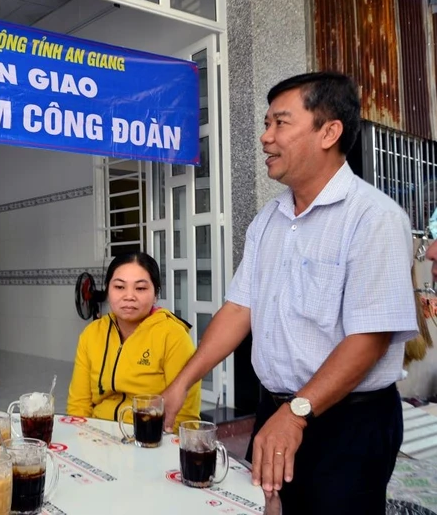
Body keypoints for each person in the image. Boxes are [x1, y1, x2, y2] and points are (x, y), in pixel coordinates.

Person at [161, 72, 417, 514]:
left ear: (329, 132)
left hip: (348, 422)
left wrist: (297, 413)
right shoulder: (270, 219)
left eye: (280, 123)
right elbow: (240, 308)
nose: (265, 137)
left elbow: (370, 337)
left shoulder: (373, 218)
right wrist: (182, 381)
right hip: (277, 411)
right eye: (266, 123)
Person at [67, 251, 201, 429]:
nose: (129, 296)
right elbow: (79, 405)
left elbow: (184, 418)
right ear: (108, 289)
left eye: (140, 288)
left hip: (149, 439)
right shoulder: (92, 334)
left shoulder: (173, 336)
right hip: (97, 436)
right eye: (120, 287)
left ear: (156, 294)